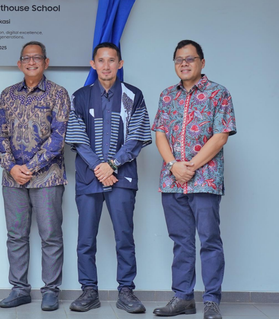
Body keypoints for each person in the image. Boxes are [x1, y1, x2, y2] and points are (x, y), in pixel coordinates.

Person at [152, 40, 236, 319]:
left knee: (210, 240)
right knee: (181, 241)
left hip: (205, 181)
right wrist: (174, 165)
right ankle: (183, 298)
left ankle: (211, 301)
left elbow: (221, 135)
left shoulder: (218, 93)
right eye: (179, 60)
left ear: (202, 62)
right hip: (172, 180)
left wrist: (191, 166)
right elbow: (160, 133)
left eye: (190, 59)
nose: (184, 64)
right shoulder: (166, 95)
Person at [65, 42, 152, 314]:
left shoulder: (133, 95)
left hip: (122, 178)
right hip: (89, 178)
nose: (106, 66)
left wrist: (112, 165)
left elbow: (137, 136)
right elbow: (77, 140)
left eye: (111, 60)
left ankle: (126, 291)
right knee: (85, 238)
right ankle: (88, 291)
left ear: (120, 64)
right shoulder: (80, 96)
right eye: (100, 61)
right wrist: (100, 167)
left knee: (124, 236)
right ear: (93, 64)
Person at [0, 41, 70, 312]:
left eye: (37, 58)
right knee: (16, 235)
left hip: (47, 178)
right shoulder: (7, 95)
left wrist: (31, 167)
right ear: (19, 63)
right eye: (27, 58)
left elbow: (58, 138)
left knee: (50, 235)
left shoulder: (58, 94)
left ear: (46, 63)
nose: (32, 62)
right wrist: (12, 167)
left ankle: (50, 291)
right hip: (12, 179)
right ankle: (19, 289)